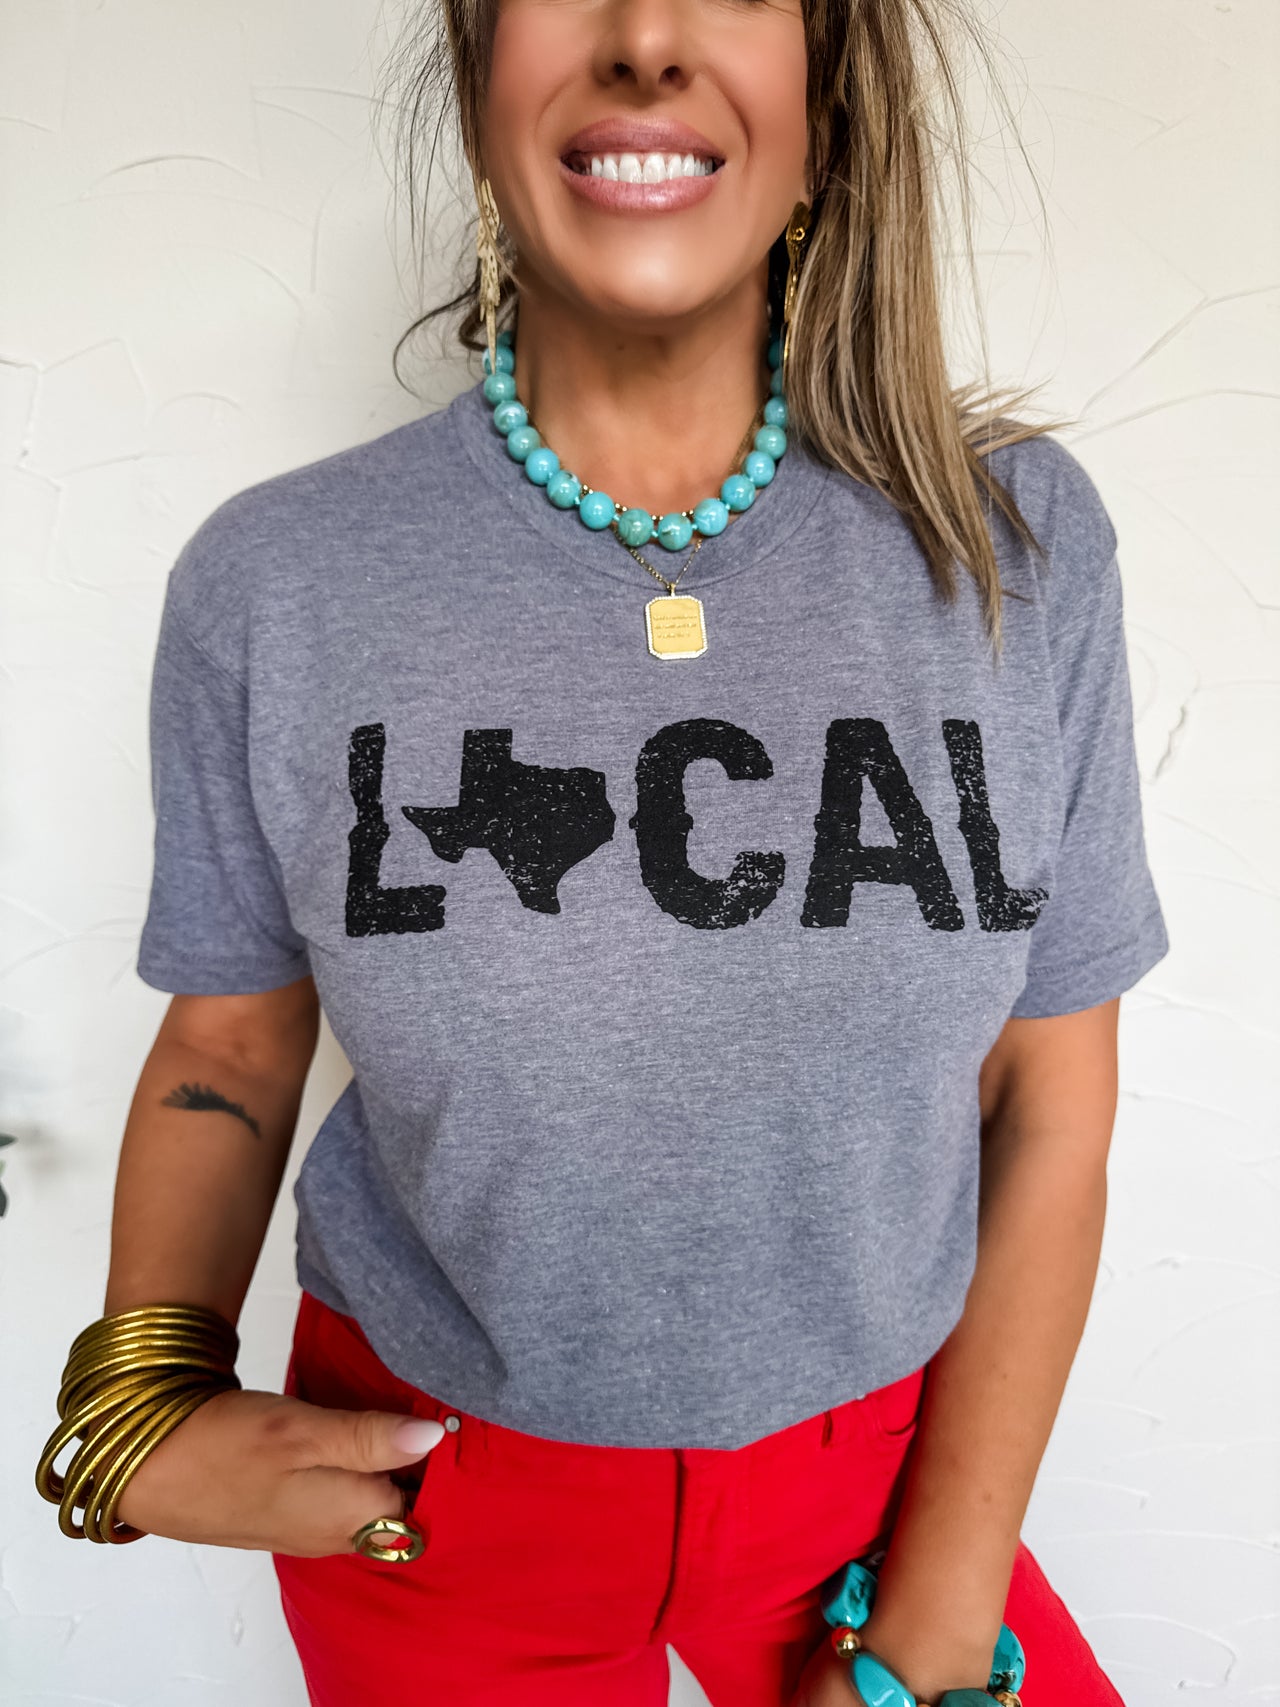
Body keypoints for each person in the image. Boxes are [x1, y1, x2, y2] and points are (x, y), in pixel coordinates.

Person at [35, 0, 1169, 1703]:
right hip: (432, 1505)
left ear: (827, 90)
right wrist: (137, 1408)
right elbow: (228, 1048)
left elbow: (1052, 1094)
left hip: (879, 1506)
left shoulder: (1015, 544)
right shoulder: (276, 582)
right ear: (479, 66)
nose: (645, 38)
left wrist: (937, 1619)